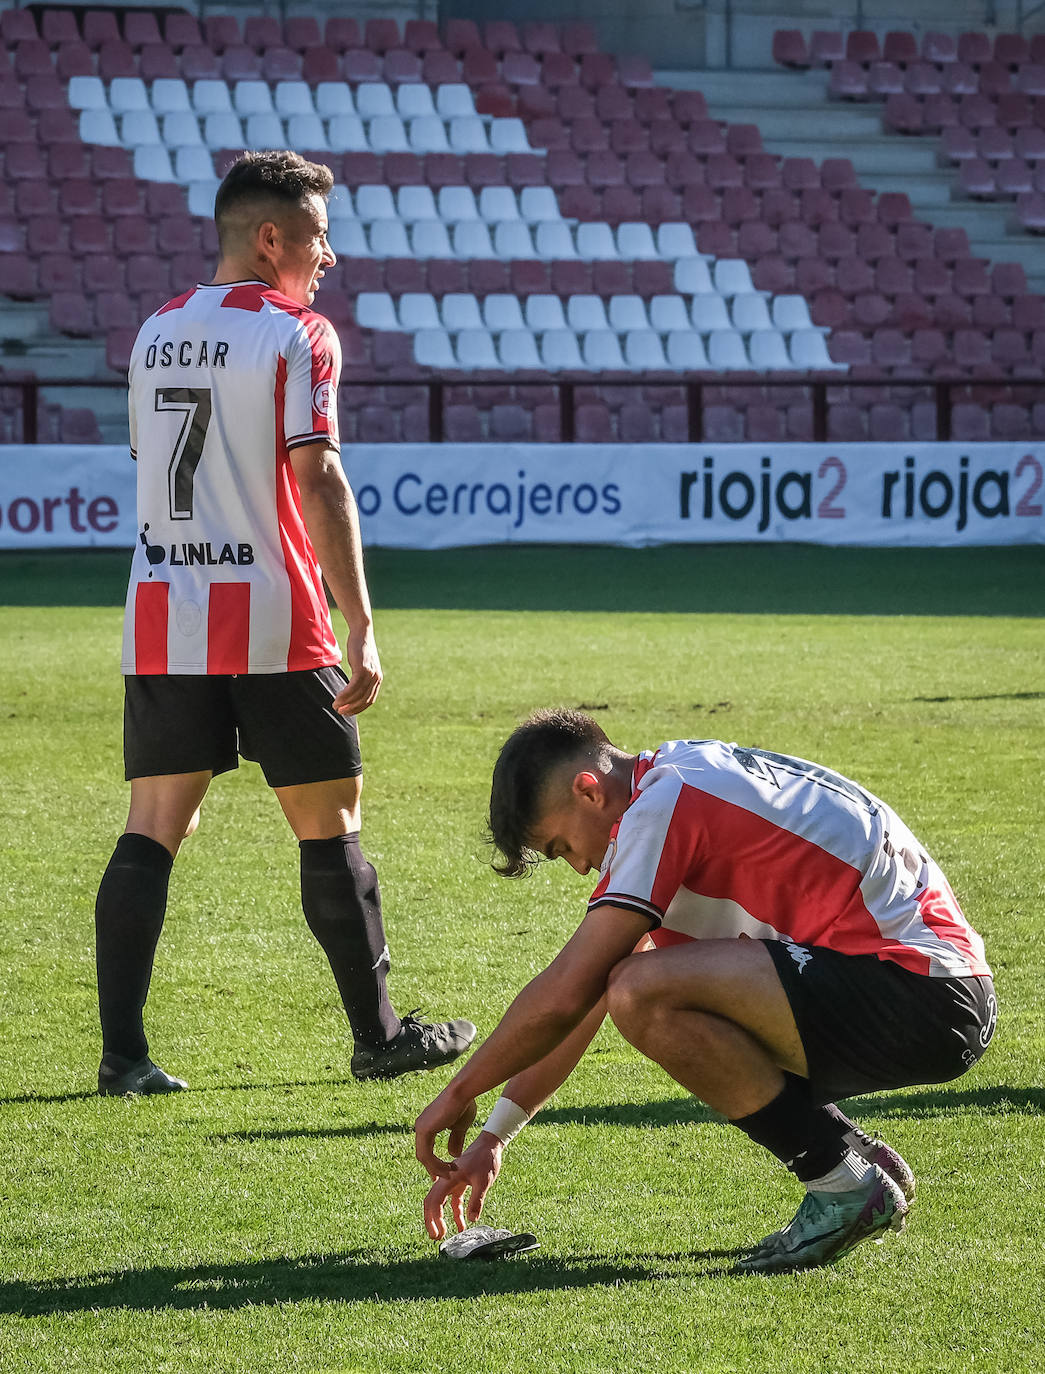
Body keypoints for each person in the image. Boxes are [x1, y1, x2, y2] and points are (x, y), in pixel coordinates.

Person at [94, 150, 475, 1097]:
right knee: (330, 825)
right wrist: (361, 621)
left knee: (150, 829)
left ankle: (123, 1056)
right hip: (272, 617)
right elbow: (318, 475)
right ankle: (379, 1037)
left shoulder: (153, 331)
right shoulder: (299, 333)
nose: (328, 254)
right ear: (271, 238)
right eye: (316, 234)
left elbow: (156, 462)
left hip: (164, 613)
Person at [415, 708, 997, 1273]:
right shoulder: (674, 779)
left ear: (589, 791)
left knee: (641, 992)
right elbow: (585, 1001)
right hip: (928, 989)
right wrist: (496, 1134)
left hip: (921, 993)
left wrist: (460, 1091)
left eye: (561, 846)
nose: (575, 866)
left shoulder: (662, 807)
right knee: (633, 982)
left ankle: (841, 1181)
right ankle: (852, 1155)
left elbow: (571, 993)